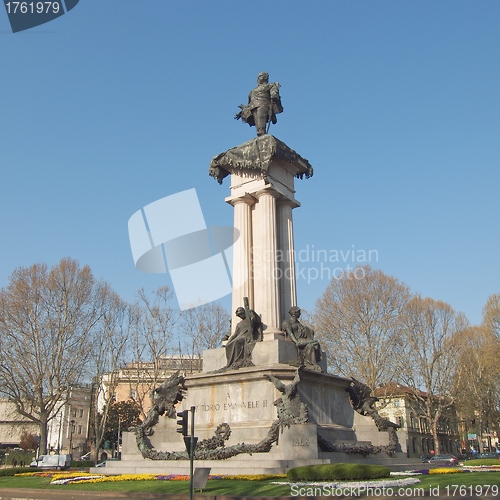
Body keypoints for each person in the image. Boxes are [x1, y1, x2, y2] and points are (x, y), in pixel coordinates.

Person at [236, 72, 283, 136]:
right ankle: (260, 133)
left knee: (261, 118)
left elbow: (274, 93)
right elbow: (249, 103)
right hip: (253, 106)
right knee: (257, 121)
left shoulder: (270, 85)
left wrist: (274, 94)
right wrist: (243, 110)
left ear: (265, 77)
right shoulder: (252, 91)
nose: (258, 79)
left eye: (260, 77)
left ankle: (262, 131)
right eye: (258, 77)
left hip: (264, 104)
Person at [282, 306, 323, 372]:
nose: (300, 314)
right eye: (299, 312)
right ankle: (310, 364)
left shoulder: (298, 323)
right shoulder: (286, 322)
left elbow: (305, 333)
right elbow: (290, 334)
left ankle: (313, 362)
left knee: (316, 344)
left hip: (303, 340)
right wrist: (296, 342)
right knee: (311, 345)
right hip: (297, 340)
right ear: (294, 313)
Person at [225, 305, 262, 369]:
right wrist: (229, 340)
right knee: (229, 345)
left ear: (244, 312)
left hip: (246, 337)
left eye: (241, 314)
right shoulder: (239, 324)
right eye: (239, 315)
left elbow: (258, 320)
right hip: (239, 337)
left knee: (236, 342)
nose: (240, 316)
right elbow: (235, 334)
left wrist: (253, 312)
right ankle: (231, 362)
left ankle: (237, 360)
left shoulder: (250, 320)